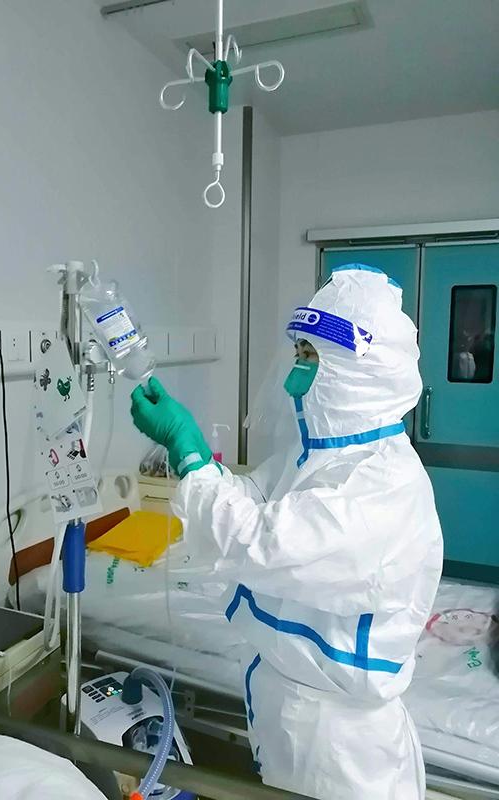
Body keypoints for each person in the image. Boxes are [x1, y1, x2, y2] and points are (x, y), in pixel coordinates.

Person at [131, 265, 443, 800]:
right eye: (297, 353)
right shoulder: (322, 457)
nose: (296, 374)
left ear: (358, 374)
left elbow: (263, 542)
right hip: (295, 709)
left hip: (336, 745)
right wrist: (203, 460)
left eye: (310, 357)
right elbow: (256, 498)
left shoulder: (384, 485)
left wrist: (186, 453)